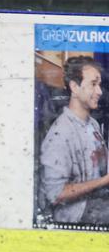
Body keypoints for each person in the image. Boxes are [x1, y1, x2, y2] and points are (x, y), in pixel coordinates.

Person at [40, 56, 109, 225]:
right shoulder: (60, 134)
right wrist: (105, 181)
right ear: (74, 87)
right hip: (76, 214)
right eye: (93, 84)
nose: (99, 91)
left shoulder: (91, 124)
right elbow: (55, 194)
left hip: (98, 201)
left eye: (99, 85)